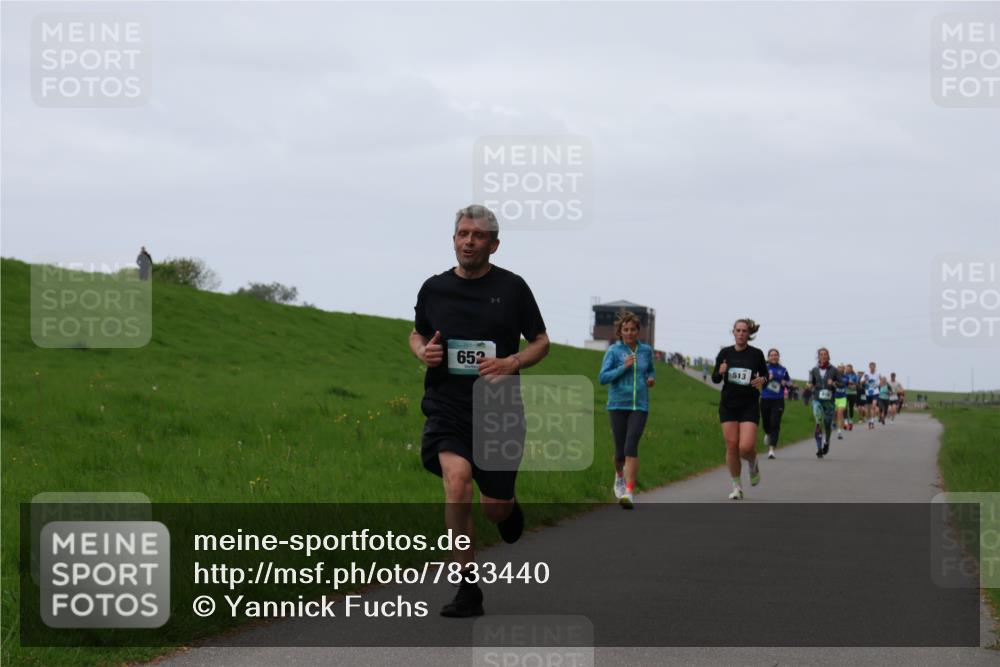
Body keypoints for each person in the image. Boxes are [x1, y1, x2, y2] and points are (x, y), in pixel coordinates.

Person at [410, 204, 550, 617]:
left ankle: (507, 506)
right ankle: (467, 588)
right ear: (454, 239)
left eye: (478, 236)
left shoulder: (512, 288)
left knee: (495, 508)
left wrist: (512, 363)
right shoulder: (433, 288)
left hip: (498, 410)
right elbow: (416, 334)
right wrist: (424, 352)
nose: (469, 241)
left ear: (494, 244)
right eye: (462, 234)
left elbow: (541, 341)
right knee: (457, 480)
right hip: (447, 405)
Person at [598, 310, 656, 509]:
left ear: (638, 331)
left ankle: (630, 491)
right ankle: (619, 476)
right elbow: (603, 378)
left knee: (632, 446)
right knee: (620, 452)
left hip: (639, 405)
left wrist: (650, 378)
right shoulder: (614, 351)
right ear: (620, 331)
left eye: (633, 329)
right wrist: (623, 367)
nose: (629, 333)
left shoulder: (646, 351)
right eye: (626, 329)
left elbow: (650, 369)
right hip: (617, 404)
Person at [711, 318, 768, 500]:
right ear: (733, 332)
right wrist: (720, 371)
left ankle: (752, 462)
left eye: (744, 331)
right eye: (738, 330)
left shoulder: (756, 354)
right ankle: (737, 486)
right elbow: (715, 379)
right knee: (732, 445)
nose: (741, 333)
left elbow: (765, 375)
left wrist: (763, 380)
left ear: (749, 334)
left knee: (746, 447)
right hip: (728, 405)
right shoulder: (725, 353)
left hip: (749, 405)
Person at [807, 348, 843, 457]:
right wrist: (809, 385)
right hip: (817, 399)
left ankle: (826, 442)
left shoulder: (834, 370)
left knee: (827, 424)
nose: (823, 356)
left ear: (828, 356)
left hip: (829, 401)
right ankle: (819, 448)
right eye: (821, 354)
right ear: (818, 357)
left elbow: (842, 384)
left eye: (825, 354)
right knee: (818, 421)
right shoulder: (814, 370)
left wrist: (833, 383)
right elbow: (810, 382)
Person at [759, 348, 791, 460]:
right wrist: (766, 379)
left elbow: (789, 383)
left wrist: (785, 383)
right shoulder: (764, 368)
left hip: (778, 399)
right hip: (765, 398)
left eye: (775, 355)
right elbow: (757, 380)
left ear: (778, 357)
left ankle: (771, 450)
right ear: (768, 357)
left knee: (775, 423)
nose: (774, 357)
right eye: (771, 355)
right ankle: (767, 433)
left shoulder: (783, 370)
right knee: (766, 422)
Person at [862, 362, 883, 430]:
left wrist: (878, 384)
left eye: (873, 366)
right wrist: (865, 380)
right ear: (869, 367)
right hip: (868, 393)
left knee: (873, 406)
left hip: (875, 392)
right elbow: (861, 381)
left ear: (875, 367)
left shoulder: (878, 373)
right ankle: (869, 421)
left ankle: (872, 421)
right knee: (868, 409)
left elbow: (882, 380)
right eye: (871, 367)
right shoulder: (866, 373)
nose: (872, 368)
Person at [834, 363, 848, 440]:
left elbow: (842, 384)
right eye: (838, 368)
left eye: (841, 368)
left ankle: (839, 432)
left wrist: (835, 383)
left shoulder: (846, 377)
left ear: (844, 369)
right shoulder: (834, 377)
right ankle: (834, 423)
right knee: (835, 413)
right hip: (835, 397)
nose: (840, 369)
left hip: (842, 397)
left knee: (840, 413)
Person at [844, 363, 860, 428]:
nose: (848, 369)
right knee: (845, 407)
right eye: (847, 368)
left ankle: (850, 420)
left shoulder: (855, 376)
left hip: (853, 393)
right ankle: (845, 421)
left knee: (851, 407)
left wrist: (853, 386)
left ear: (851, 369)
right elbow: (843, 382)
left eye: (849, 368)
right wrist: (848, 385)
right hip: (845, 393)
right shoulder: (844, 375)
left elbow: (857, 384)